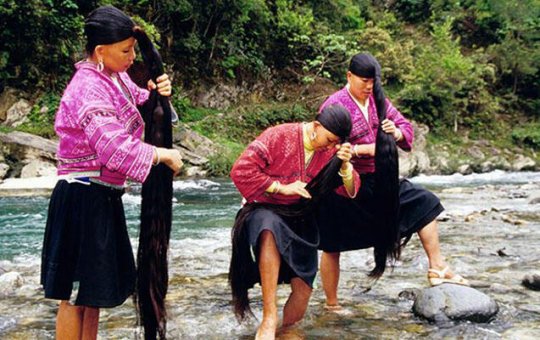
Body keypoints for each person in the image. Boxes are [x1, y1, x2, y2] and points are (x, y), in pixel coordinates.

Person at [40, 6, 183, 339]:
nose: (132, 57)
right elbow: (113, 147)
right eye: (125, 50)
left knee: (92, 295)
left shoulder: (114, 78)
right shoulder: (87, 87)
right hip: (81, 198)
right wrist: (161, 155)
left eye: (132, 49)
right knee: (75, 297)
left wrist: (159, 92)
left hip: (101, 197)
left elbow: (145, 105)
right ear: (100, 51)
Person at [317, 52, 468, 311]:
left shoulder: (379, 100)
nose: (369, 86)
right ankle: (332, 304)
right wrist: (364, 150)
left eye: (373, 81)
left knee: (426, 203)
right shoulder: (335, 105)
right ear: (349, 76)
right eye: (364, 80)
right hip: (345, 181)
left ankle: (437, 267)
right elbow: (325, 144)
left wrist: (396, 133)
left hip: (381, 178)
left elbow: (405, 129)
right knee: (332, 244)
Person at [229, 105, 360, 340]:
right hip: (263, 207)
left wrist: (345, 166)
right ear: (317, 126)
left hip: (300, 215)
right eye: (329, 140)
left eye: (335, 143)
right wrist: (281, 187)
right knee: (268, 228)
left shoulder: (332, 150)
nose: (330, 147)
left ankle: (288, 330)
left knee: (304, 284)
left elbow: (351, 190)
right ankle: (269, 318)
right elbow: (240, 170)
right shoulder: (279, 135)